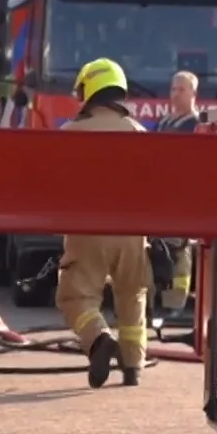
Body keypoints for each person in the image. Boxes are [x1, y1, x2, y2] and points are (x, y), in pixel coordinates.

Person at [56, 58, 151, 387]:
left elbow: (49, 183)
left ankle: (98, 339)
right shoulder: (139, 132)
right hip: (133, 232)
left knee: (75, 296)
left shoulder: (70, 133)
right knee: (132, 294)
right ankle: (133, 366)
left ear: (89, 89)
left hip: (88, 229)